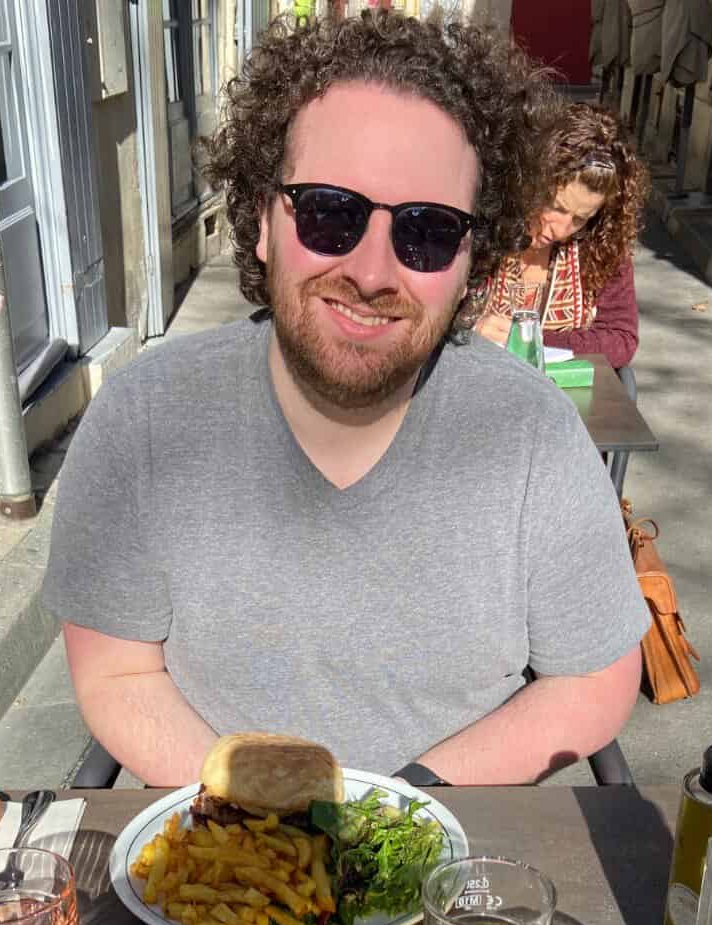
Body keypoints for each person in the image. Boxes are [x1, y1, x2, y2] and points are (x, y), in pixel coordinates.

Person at [43, 13, 648, 786]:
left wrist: (406, 807)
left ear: (471, 259)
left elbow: (594, 673)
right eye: (331, 212)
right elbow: (117, 677)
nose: (371, 272)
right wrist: (269, 825)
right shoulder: (143, 421)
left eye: (427, 232)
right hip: (224, 848)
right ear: (264, 220)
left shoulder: (531, 431)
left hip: (457, 857)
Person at [474, 102, 649, 370]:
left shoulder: (601, 245)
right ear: (530, 181)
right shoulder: (484, 225)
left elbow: (620, 338)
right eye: (555, 206)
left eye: (580, 218)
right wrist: (470, 329)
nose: (561, 229)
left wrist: (530, 340)